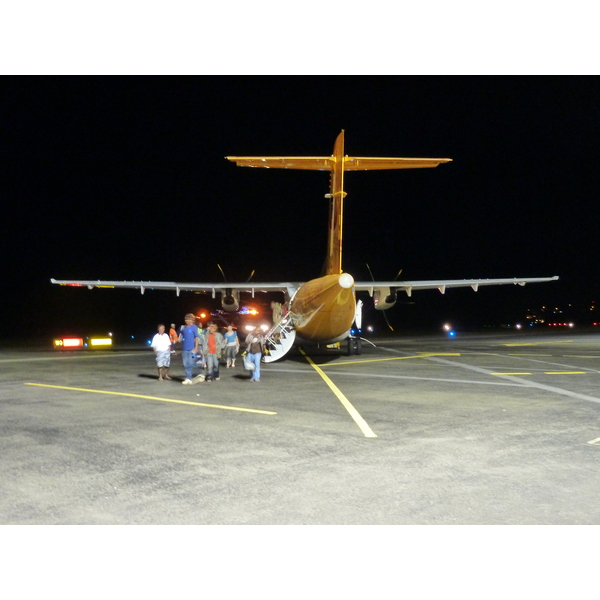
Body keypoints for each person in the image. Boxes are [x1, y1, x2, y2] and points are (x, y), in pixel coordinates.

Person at [179, 313, 202, 385]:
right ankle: (188, 378)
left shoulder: (194, 327)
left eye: (188, 319)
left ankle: (200, 372)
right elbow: (180, 337)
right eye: (185, 319)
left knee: (192, 363)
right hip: (184, 349)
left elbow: (197, 338)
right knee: (186, 364)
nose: (186, 321)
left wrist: (196, 347)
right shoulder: (183, 328)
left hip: (192, 349)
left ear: (191, 320)